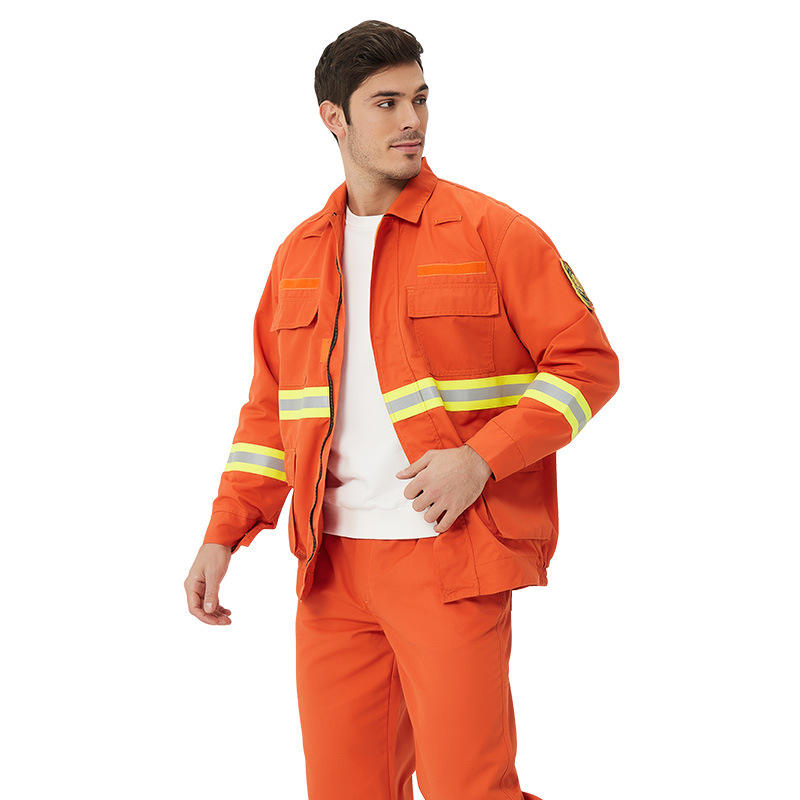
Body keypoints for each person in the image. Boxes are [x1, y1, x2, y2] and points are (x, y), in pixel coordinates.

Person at [184, 19, 620, 800]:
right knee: (343, 789)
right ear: (334, 117)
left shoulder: (491, 232)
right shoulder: (298, 256)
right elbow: (270, 414)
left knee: (468, 788)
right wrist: (224, 533)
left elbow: (587, 365)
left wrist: (480, 460)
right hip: (331, 571)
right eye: (385, 103)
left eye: (420, 99)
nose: (411, 120)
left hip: (447, 558)